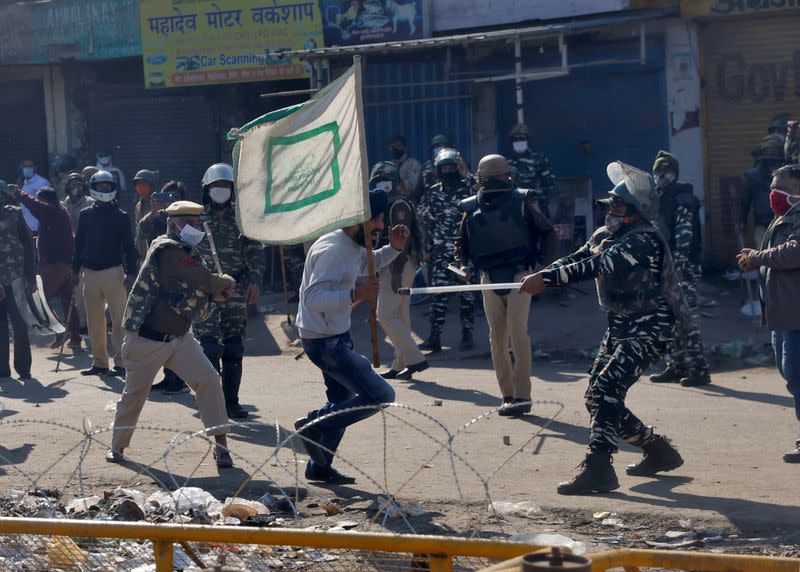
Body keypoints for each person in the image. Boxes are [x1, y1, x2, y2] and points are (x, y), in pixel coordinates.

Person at [519, 161, 687, 495]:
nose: (611, 211)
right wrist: (542, 273)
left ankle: (599, 468)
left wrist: (548, 280)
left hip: (651, 327)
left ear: (636, 211)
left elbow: (600, 265)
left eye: (619, 206)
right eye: (610, 204)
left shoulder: (644, 241)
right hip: (620, 326)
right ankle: (657, 449)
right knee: (596, 396)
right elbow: (575, 258)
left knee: (607, 387)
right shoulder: (606, 235)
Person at [106, 200, 237, 468]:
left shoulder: (187, 250)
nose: (196, 228)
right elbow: (204, 280)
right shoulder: (168, 250)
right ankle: (117, 448)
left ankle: (221, 448)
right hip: (147, 339)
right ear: (173, 225)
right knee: (134, 396)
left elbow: (200, 287)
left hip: (178, 338)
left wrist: (214, 290)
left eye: (199, 223)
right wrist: (225, 283)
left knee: (209, 381)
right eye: (190, 223)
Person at [294, 189, 408, 484]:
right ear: (362, 219)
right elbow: (312, 298)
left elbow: (365, 262)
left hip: (335, 333)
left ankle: (319, 466)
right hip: (324, 341)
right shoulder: (333, 249)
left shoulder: (354, 243)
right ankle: (312, 425)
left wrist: (393, 249)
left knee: (342, 399)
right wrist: (356, 294)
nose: (382, 228)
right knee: (381, 395)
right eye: (379, 221)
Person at [455, 154, 557, 416]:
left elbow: (548, 232)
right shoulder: (472, 207)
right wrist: (463, 265)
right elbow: (462, 244)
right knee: (496, 338)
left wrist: (542, 269)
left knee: (517, 333)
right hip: (488, 276)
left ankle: (523, 397)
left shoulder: (522, 201)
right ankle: (508, 395)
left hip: (519, 275)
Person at [737, 164, 800, 463]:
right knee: (791, 373)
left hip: (796, 315)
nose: (773, 193)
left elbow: (793, 253)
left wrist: (757, 257)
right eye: (772, 186)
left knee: (798, 375)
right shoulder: (783, 219)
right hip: (783, 314)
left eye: (780, 186)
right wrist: (755, 257)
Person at [194, 163, 265, 419]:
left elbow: (255, 251)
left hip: (236, 290)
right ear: (207, 189)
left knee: (234, 348)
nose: (221, 191)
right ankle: (210, 403)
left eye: (225, 186)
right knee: (210, 348)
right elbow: (183, 252)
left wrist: (256, 280)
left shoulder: (242, 217)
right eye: (216, 186)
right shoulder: (196, 218)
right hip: (205, 292)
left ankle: (231, 403)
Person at [649, 151, 710, 387]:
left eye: (666, 170)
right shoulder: (659, 197)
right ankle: (676, 366)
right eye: (657, 171)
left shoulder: (682, 196)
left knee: (686, 319)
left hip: (680, 268)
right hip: (664, 268)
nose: (662, 174)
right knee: (667, 319)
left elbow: (685, 235)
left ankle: (699, 369)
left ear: (675, 172)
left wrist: (681, 265)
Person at [72, 170, 138, 377]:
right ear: (93, 188)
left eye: (107, 186)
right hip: (89, 274)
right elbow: (79, 245)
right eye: (100, 186)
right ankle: (99, 362)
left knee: (119, 320)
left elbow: (129, 246)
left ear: (113, 189)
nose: (103, 189)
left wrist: (131, 272)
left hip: (114, 274)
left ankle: (120, 362)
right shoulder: (85, 215)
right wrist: (75, 271)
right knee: (94, 321)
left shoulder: (121, 216)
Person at [370, 162, 428, 380]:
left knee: (384, 315)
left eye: (385, 181)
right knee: (401, 315)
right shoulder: (389, 204)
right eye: (378, 181)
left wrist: (395, 272)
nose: (382, 185)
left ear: (395, 182)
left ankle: (415, 359)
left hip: (399, 266)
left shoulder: (398, 205)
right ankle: (400, 363)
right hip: (393, 265)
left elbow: (402, 240)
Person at [417, 148, 475, 353]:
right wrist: (428, 249)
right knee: (438, 296)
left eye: (452, 167)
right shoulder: (433, 192)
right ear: (438, 170)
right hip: (441, 255)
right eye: (445, 168)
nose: (448, 170)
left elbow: (481, 193)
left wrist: (465, 172)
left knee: (466, 295)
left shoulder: (469, 188)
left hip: (463, 254)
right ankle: (435, 337)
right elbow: (425, 222)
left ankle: (467, 335)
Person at [12, 185, 81, 351]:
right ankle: (75, 339)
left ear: (45, 200)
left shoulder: (52, 210)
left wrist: (20, 195)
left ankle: (59, 330)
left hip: (55, 265)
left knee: (39, 300)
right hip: (66, 264)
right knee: (68, 302)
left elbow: (37, 206)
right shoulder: (59, 212)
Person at [0, 180, 35, 380]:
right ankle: (2, 370)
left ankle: (24, 368)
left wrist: (31, 277)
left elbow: (29, 246)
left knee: (20, 325)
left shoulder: (15, 213)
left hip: (16, 279)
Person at [741, 135, 785, 248]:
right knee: (765, 258)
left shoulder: (788, 174)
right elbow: (744, 201)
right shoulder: (752, 176)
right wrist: (741, 220)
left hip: (785, 223)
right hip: (763, 224)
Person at [507, 123, 558, 218]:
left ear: (528, 140)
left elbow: (550, 183)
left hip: (537, 206)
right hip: (514, 209)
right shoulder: (507, 162)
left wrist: (541, 200)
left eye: (522, 139)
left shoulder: (539, 159)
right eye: (516, 139)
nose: (519, 142)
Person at [132, 169, 158, 261]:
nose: (140, 186)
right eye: (138, 184)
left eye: (144, 183)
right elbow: (137, 228)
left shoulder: (157, 203)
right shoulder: (138, 206)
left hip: (156, 253)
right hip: (142, 255)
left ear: (151, 185)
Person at [19, 159, 51, 233]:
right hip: (25, 226)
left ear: (35, 168)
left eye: (30, 166)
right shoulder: (23, 182)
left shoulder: (42, 182)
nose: (27, 168)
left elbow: (46, 205)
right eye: (25, 166)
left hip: (36, 226)